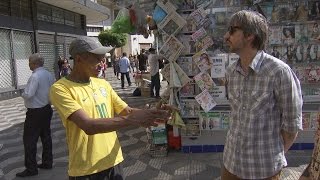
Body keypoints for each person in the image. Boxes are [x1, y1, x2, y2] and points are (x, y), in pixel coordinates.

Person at [49, 36, 172, 180]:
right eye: (97, 59)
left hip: (114, 161)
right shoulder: (61, 88)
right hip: (86, 169)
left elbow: (128, 111)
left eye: (103, 60)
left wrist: (153, 113)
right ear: (79, 59)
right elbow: (88, 125)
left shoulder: (103, 84)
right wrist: (132, 119)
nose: (102, 65)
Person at [222, 10, 302, 180]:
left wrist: (271, 156)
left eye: (232, 30)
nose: (225, 36)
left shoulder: (279, 72)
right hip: (231, 164)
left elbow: (291, 127)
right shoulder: (231, 72)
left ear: (250, 35)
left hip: (264, 170)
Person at [16, 53, 55, 177]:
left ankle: (31, 168)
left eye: (29, 62)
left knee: (29, 140)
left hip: (35, 112)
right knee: (46, 137)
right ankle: (47, 161)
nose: (28, 65)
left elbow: (29, 94)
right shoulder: (49, 74)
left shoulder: (35, 76)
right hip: (46, 109)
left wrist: (23, 93)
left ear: (34, 63)